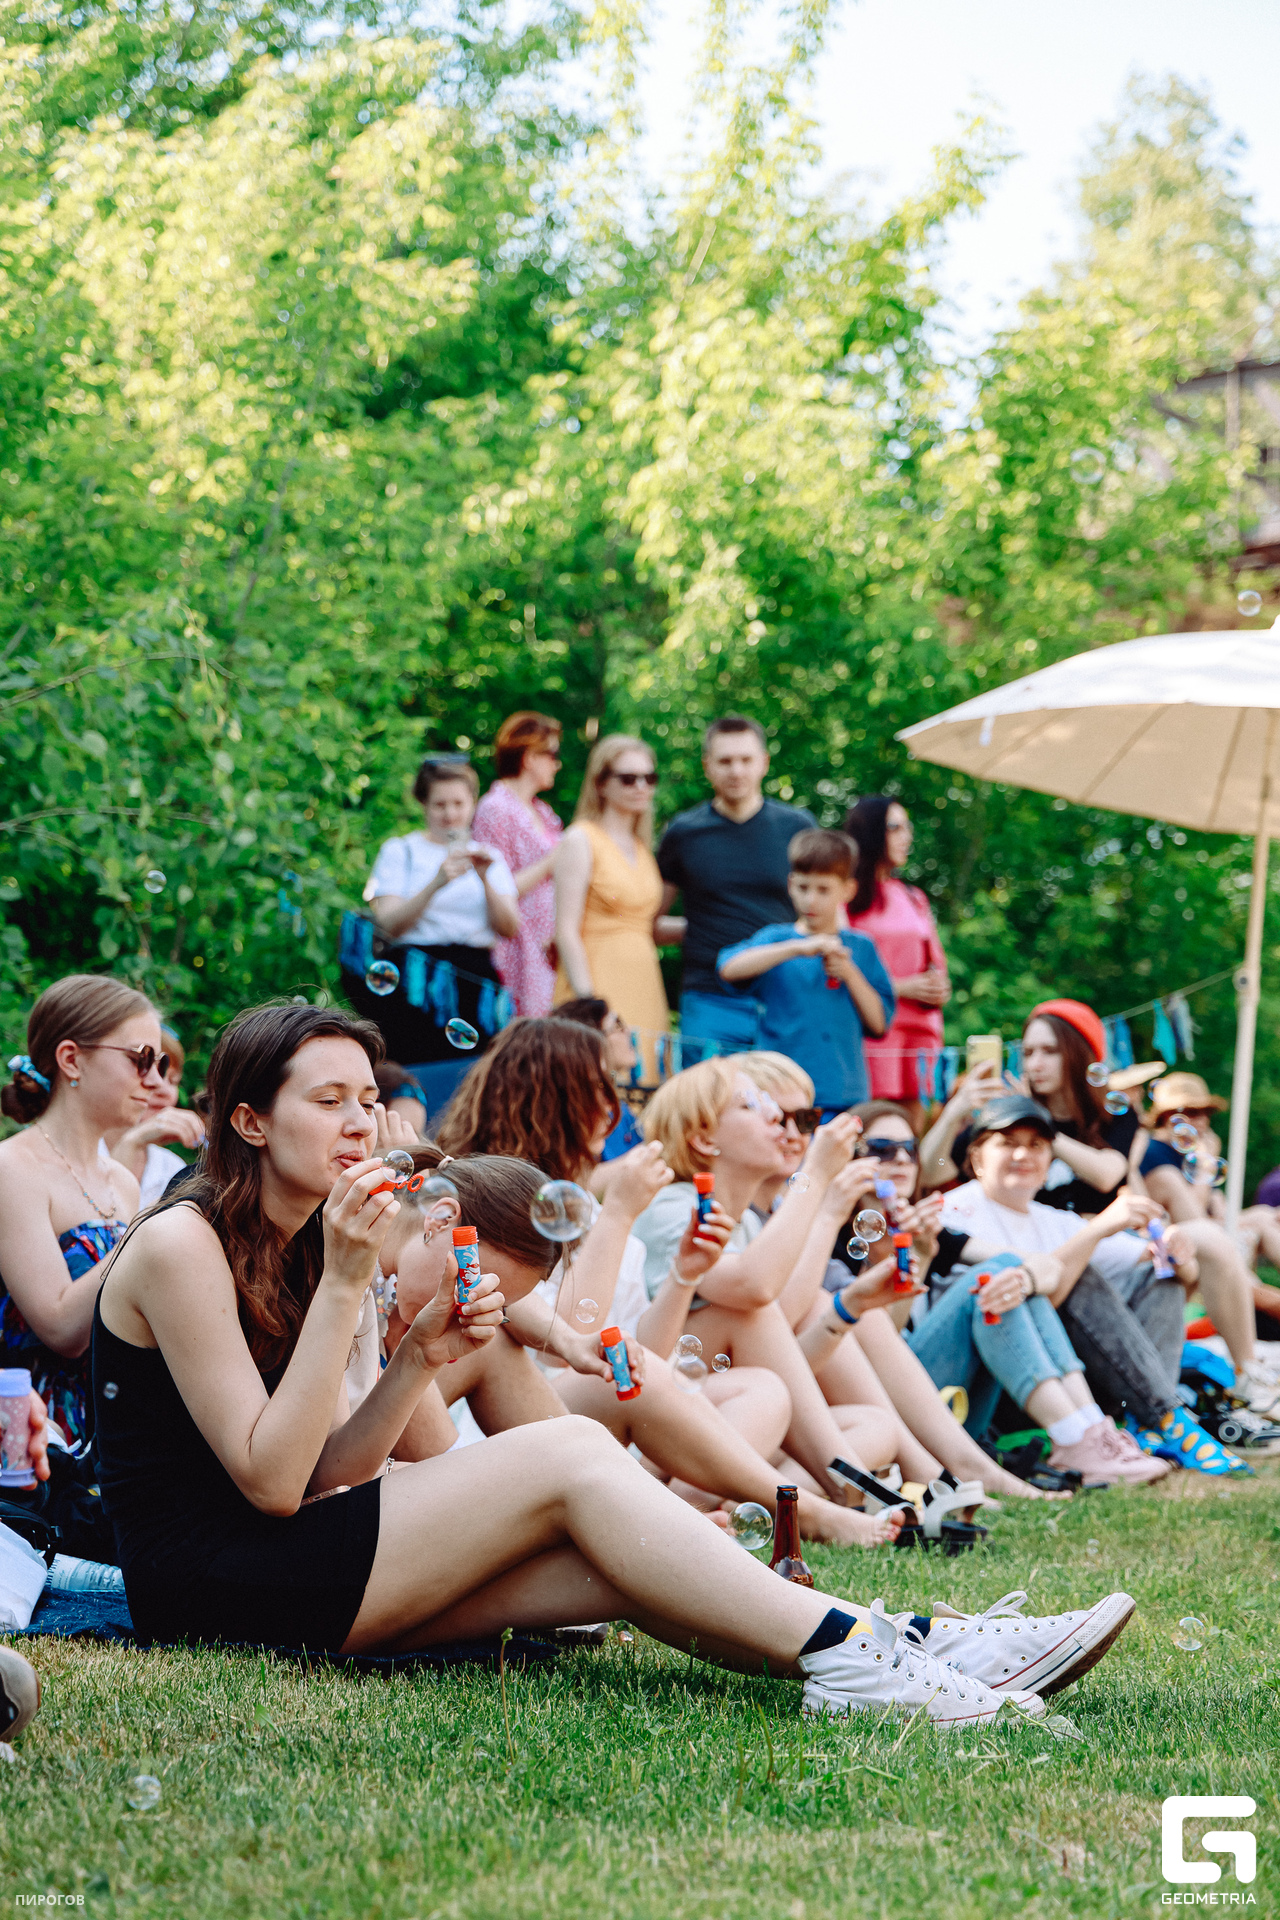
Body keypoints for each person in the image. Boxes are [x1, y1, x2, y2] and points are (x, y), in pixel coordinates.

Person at [91, 996, 1093, 1723]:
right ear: (250, 1121)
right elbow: (272, 1486)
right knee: (569, 1453)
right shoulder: (183, 1244)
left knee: (619, 1558)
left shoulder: (326, 1234)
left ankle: (905, 1642)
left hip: (303, 1562)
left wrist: (415, 1359)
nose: (360, 1123)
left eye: (366, 1099)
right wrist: (352, 1287)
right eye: (328, 1101)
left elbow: (334, 1472)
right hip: (214, 1588)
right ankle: (869, 1652)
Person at [436, 1019, 894, 1545]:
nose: (613, 1107)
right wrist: (619, 1215)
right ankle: (803, 1509)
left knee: (769, 1391)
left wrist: (683, 1274)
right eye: (600, 1085)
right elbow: (566, 1347)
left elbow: (647, 1357)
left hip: (603, 1416)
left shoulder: (601, 1210)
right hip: (512, 1423)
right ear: (553, 1098)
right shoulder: (504, 1211)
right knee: (760, 1370)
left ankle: (716, 1510)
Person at [734, 1059, 1054, 1501]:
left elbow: (1035, 1264)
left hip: (913, 1400)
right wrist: (830, 1210)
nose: (900, 1160)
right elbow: (792, 1315)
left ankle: (1072, 1434)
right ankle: (968, 1467)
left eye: (909, 1150)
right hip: (789, 1391)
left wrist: (921, 1253)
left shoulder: (920, 1223)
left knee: (1004, 1274)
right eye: (883, 1150)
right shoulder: (815, 1221)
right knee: (974, 1283)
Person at [940, 1095, 1247, 1476]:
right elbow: (1035, 1290)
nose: (1023, 1155)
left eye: (1036, 1145)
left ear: (1050, 1160)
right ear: (976, 1158)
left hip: (1067, 1382)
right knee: (1075, 1270)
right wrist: (1099, 1227)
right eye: (1008, 1143)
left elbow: (1180, 1275)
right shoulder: (954, 1212)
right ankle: (1168, 1418)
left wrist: (1173, 1247)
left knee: (1157, 1276)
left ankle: (1149, 1424)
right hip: (999, 1385)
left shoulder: (1053, 1220)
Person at [0, 975, 167, 1445]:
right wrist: (148, 1231)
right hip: (40, 1436)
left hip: (117, 1430)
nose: (155, 1081)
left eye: (160, 1064)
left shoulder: (122, 1181)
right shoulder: (13, 1168)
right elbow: (61, 1329)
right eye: (141, 1059)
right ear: (71, 1059)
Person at [358, 757, 519, 1117]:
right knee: (416, 1073)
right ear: (424, 804)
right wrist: (437, 882)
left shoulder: (489, 856)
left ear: (473, 803)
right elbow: (388, 924)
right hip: (415, 979)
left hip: (474, 979)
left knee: (477, 1080)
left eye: (459, 804)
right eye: (440, 804)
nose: (450, 814)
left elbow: (509, 927)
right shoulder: (401, 850)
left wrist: (484, 878)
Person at [657, 716, 817, 1062]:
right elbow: (652, 919)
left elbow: (827, 912)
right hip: (708, 997)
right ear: (707, 766)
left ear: (764, 763)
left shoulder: (799, 828)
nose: (736, 771)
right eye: (725, 761)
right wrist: (699, 929)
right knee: (705, 1094)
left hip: (784, 995)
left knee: (786, 1093)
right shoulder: (683, 833)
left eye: (746, 759)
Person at [716, 829, 894, 1114]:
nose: (811, 900)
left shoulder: (861, 947)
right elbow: (728, 968)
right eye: (803, 887)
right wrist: (798, 948)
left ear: (848, 890)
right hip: (779, 1092)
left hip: (843, 1093)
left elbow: (879, 1022)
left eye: (823, 890)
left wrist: (849, 973)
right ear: (790, 884)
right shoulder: (775, 939)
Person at [552, 735, 678, 1082]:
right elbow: (565, 931)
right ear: (601, 783)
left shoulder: (642, 847)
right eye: (628, 778)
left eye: (649, 778)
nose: (641, 787)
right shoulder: (581, 838)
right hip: (597, 981)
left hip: (645, 982)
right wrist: (592, 1006)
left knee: (647, 1082)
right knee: (598, 1081)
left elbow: (645, 924)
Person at [1138, 1072, 1280, 1374]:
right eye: (1191, 1112)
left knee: (1266, 1216)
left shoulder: (1185, 1154)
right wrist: (1204, 1167)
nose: (1201, 1121)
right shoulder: (1155, 1156)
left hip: (1210, 1245)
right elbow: (1197, 1220)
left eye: (1205, 1113)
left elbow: (1222, 1215)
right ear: (1167, 1116)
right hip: (1181, 1254)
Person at [843, 796, 950, 1127]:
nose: (907, 836)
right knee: (869, 1125)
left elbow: (936, 963)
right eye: (895, 827)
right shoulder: (846, 895)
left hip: (921, 1029)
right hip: (873, 1029)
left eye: (908, 827)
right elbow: (835, 967)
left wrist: (939, 987)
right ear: (870, 831)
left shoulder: (913, 896)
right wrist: (901, 987)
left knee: (915, 1128)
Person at [471, 712, 564, 1018]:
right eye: (552, 754)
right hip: (516, 946)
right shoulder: (495, 808)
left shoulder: (544, 813)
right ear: (529, 757)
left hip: (548, 945)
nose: (557, 764)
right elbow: (496, 886)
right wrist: (552, 861)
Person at [102, 1025, 205, 1207]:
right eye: (145, 1068)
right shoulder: (75, 1155)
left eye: (172, 1080)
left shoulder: (172, 1168)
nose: (162, 1089)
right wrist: (131, 1143)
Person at [553, 996, 644, 1159]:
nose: (628, 1031)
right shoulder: (576, 1114)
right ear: (591, 1039)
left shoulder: (622, 1111)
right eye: (617, 1024)